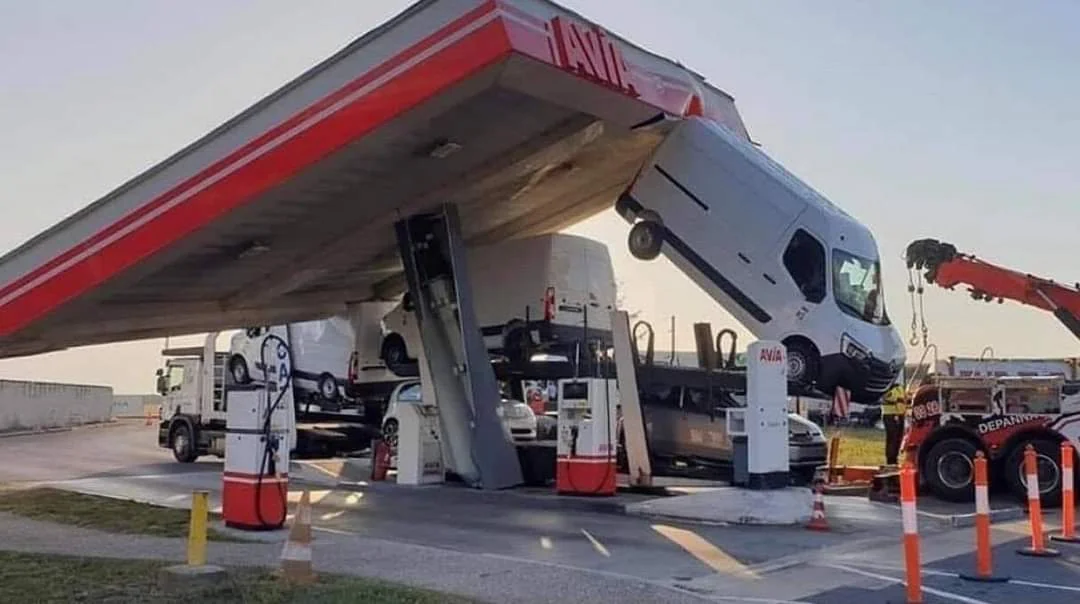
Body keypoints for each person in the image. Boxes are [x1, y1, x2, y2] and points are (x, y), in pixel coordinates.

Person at [881, 383, 907, 467]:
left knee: (898, 438)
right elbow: (888, 397)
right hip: (890, 415)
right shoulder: (886, 387)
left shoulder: (899, 387)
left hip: (900, 415)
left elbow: (904, 399)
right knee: (892, 438)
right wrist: (899, 399)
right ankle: (890, 461)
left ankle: (894, 459)